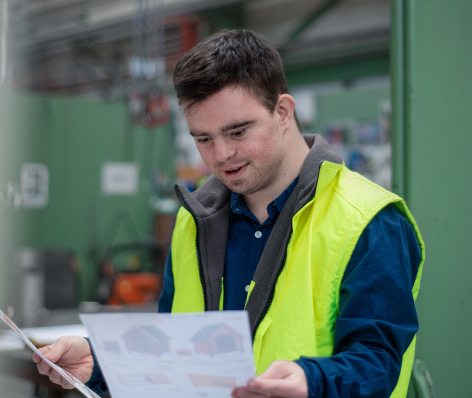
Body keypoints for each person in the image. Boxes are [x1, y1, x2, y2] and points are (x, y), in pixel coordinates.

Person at [34, 29, 424, 398]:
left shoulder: (368, 221)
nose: (221, 155)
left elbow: (378, 361)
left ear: (283, 111)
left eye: (238, 132)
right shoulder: (194, 220)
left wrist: (311, 381)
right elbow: (174, 352)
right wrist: (99, 362)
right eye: (203, 138)